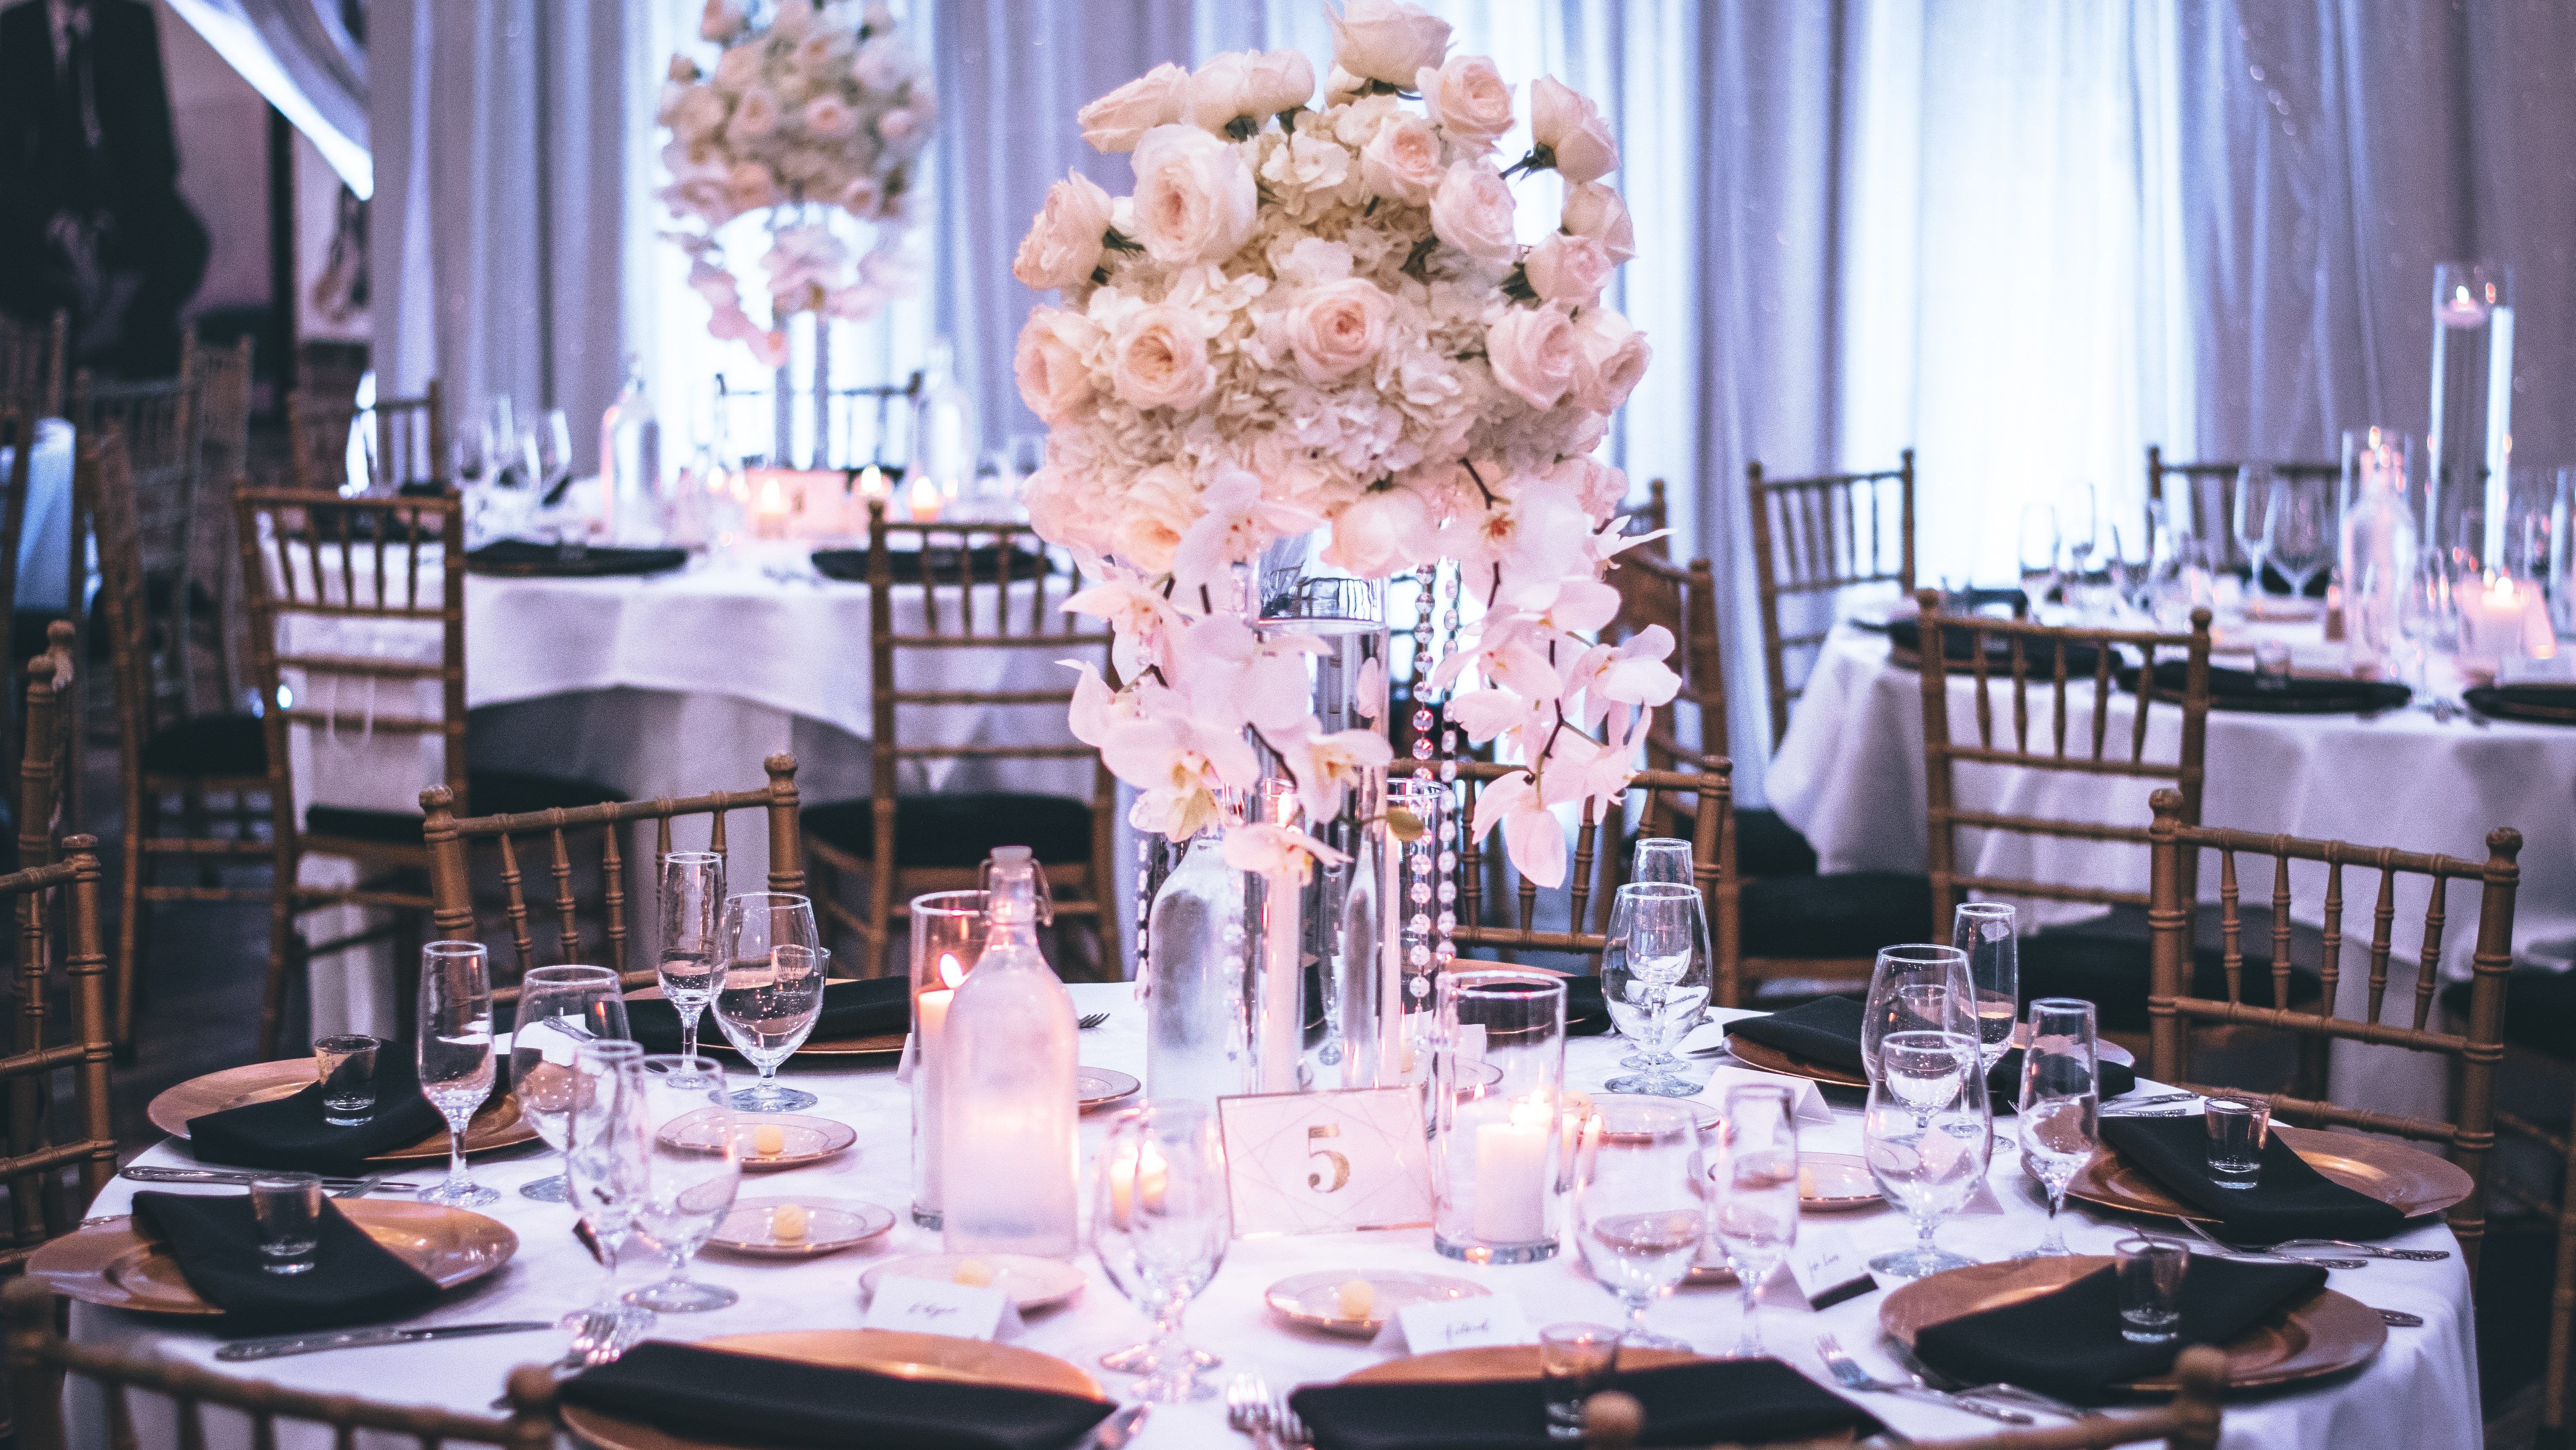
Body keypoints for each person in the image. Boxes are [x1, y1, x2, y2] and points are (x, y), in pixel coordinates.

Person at [0, 0, 210, 379]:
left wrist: (107, 224)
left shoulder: (130, 22)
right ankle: (56, 388)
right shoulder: (14, 32)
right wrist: (57, 226)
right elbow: (6, 165)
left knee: (185, 245)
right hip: (41, 205)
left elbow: (159, 153)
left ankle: (139, 370)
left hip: (118, 198)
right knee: (29, 277)